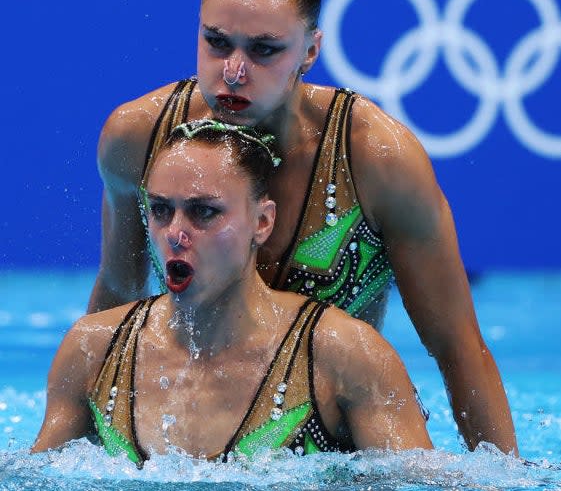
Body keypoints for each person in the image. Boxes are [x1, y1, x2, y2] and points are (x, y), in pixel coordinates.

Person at [88, 0, 518, 455]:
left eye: (265, 49)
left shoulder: (376, 159)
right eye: (216, 42)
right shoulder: (139, 139)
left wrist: (504, 478)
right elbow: (116, 295)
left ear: (311, 50)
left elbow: (456, 345)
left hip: (331, 462)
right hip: (191, 448)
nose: (234, 71)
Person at [33, 121, 433, 465]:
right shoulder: (93, 352)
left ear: (261, 222)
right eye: (160, 210)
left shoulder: (343, 356)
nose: (175, 233)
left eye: (204, 212)